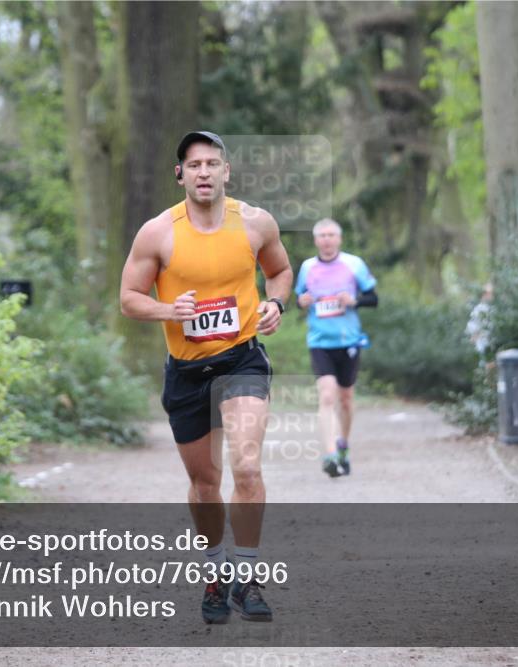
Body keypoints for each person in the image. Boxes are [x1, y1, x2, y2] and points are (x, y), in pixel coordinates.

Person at [120, 131, 293, 624]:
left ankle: (248, 578)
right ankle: (216, 574)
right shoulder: (157, 233)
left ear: (226, 172)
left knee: (247, 467)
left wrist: (276, 303)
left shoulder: (255, 222)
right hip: (187, 372)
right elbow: (129, 298)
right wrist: (167, 310)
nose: (203, 172)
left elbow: (281, 272)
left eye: (212, 164)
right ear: (180, 175)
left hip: (242, 361)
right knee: (204, 483)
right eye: (194, 165)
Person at [295, 219, 378, 478]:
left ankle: (343, 444)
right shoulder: (308, 267)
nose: (327, 240)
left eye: (331, 235)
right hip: (320, 342)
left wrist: (353, 301)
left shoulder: (354, 264)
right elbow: (299, 298)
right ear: (316, 240)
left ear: (339, 239)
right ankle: (330, 455)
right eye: (322, 235)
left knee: (346, 398)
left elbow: (373, 298)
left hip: (348, 341)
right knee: (327, 395)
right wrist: (302, 301)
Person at [466, 281, 493, 362]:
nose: (491, 295)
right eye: (489, 293)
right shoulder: (479, 309)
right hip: (483, 344)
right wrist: (476, 335)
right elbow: (473, 328)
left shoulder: (493, 308)